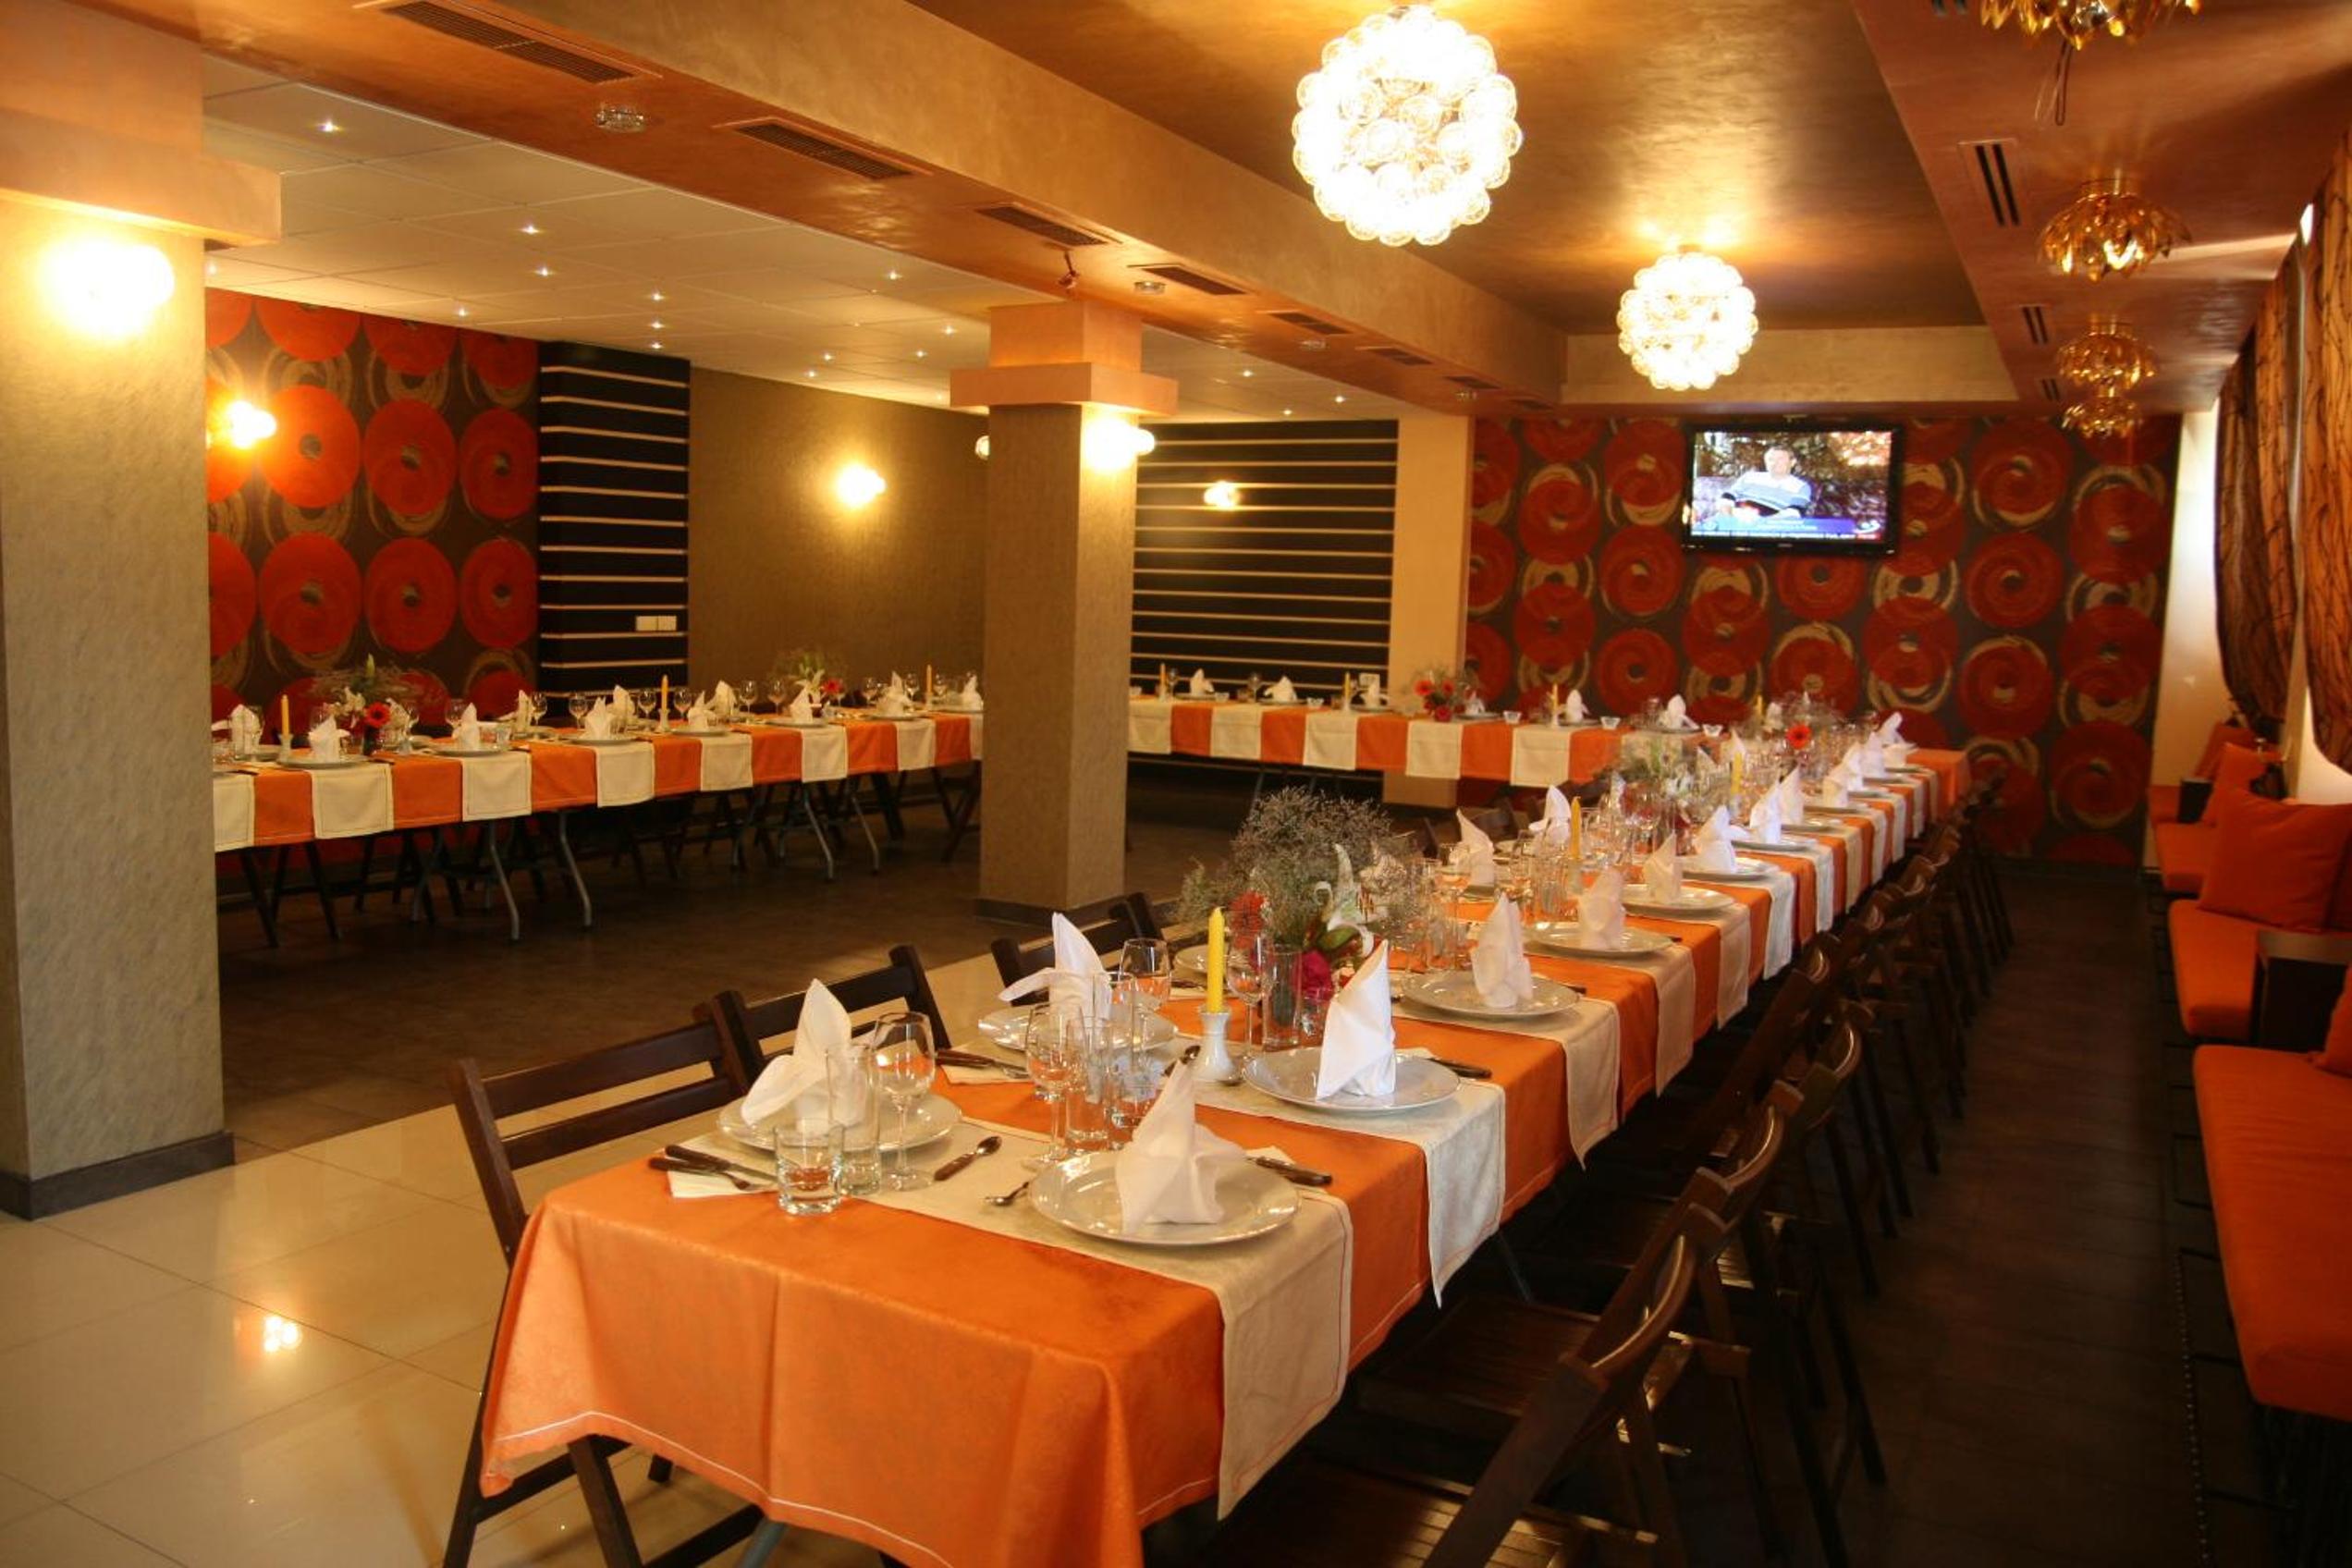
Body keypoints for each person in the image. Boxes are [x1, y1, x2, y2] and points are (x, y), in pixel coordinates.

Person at [1724, 446, 1814, 519]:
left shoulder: (1801, 487)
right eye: (1771, 459)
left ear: (1792, 462)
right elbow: (1727, 499)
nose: (1774, 463)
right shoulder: (1749, 477)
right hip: (1735, 520)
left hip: (1771, 527)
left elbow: (1793, 513)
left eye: (1780, 459)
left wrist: (1764, 524)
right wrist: (1728, 517)